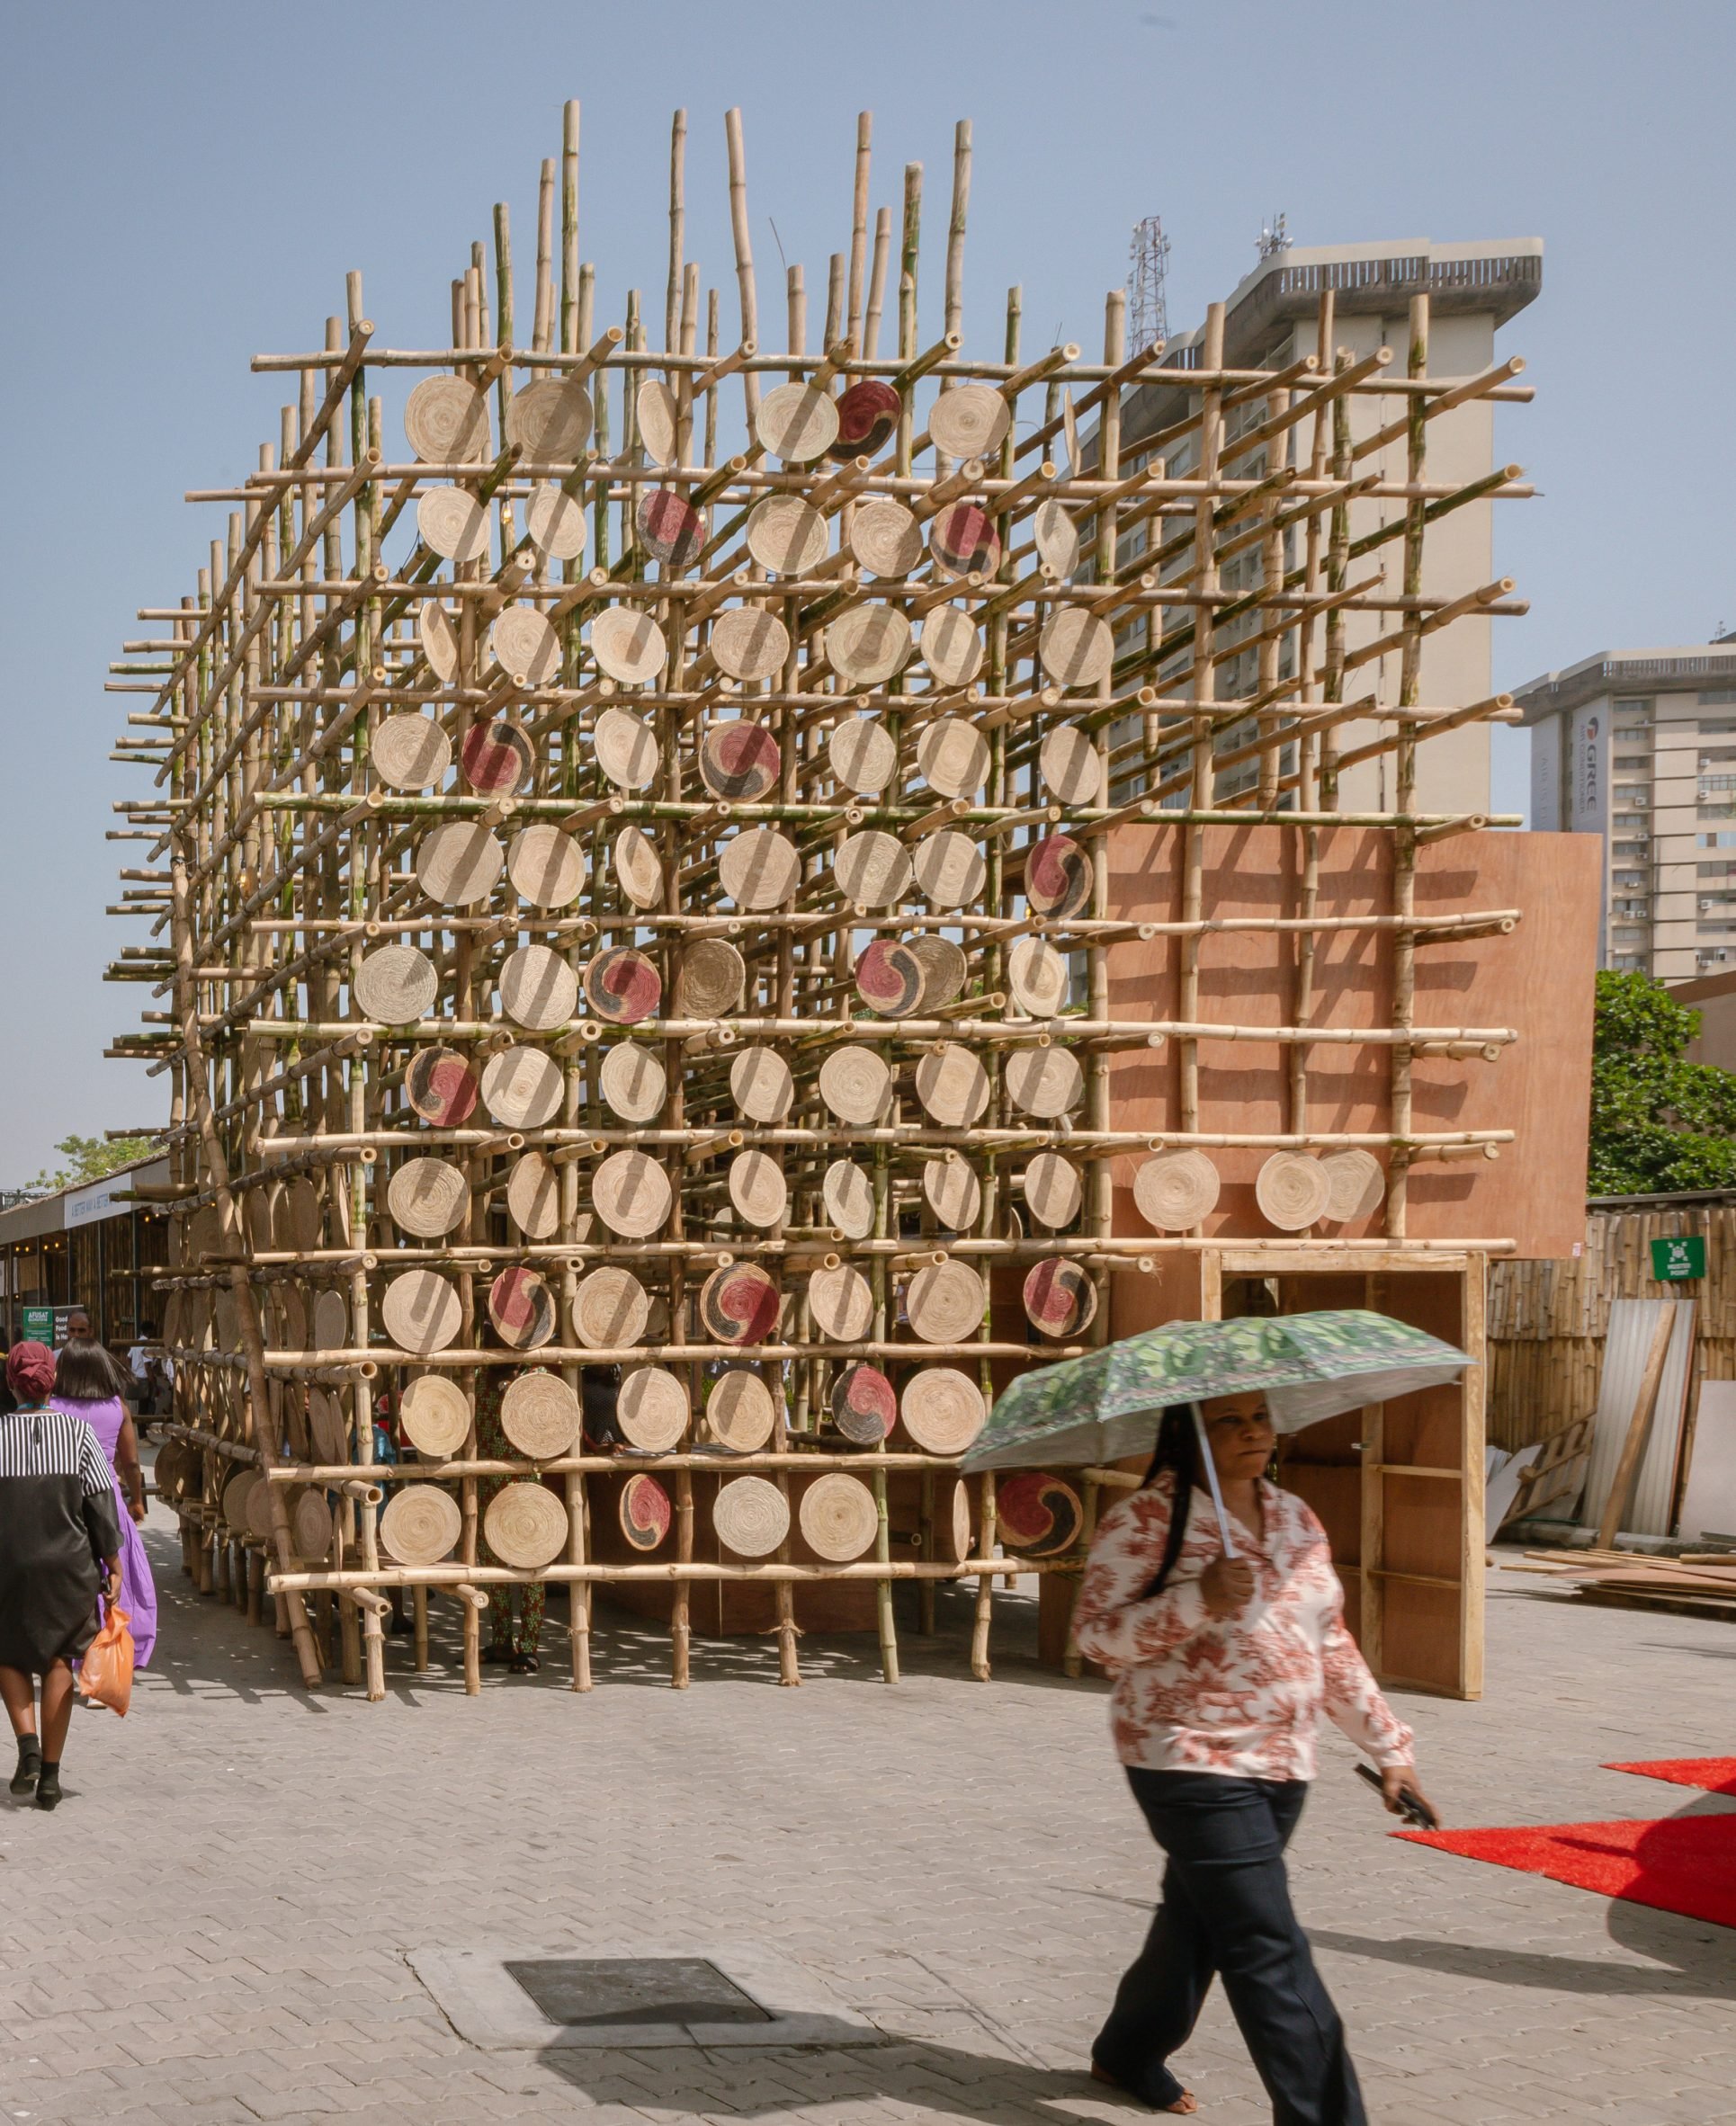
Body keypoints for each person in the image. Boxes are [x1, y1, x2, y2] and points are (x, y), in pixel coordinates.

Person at [1073, 1393, 1432, 2123]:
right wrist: (1196, 1599)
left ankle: (1128, 2049)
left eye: (1261, 1416)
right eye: (1230, 1420)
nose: (1254, 1431)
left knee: (1199, 1920)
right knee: (1266, 1943)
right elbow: (1097, 1637)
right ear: (1188, 1434)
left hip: (1284, 1762)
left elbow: (1328, 1643)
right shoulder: (1144, 1521)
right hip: (1186, 1755)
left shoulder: (1296, 1517)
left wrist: (1388, 1745)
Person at [0, 1342, 123, 1810]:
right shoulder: (78, 1434)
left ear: (12, 1383)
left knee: (8, 1653)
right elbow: (100, 1503)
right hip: (68, 1567)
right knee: (58, 1661)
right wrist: (112, 1564)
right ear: (52, 1382)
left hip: (8, 1565)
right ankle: (50, 1777)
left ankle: (27, 1744)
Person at [50, 1338, 157, 1669]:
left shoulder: (52, 1407)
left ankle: (69, 1658)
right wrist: (137, 1501)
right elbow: (131, 1463)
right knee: (114, 1580)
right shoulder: (117, 1408)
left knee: (70, 1583)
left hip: (64, 1503)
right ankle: (106, 1661)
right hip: (107, 1500)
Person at [475, 1372, 543, 1672]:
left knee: (531, 1565)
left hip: (524, 1483)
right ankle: (502, 1640)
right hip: (488, 1483)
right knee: (493, 1566)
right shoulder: (480, 1375)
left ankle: (528, 1648)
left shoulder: (535, 1375)